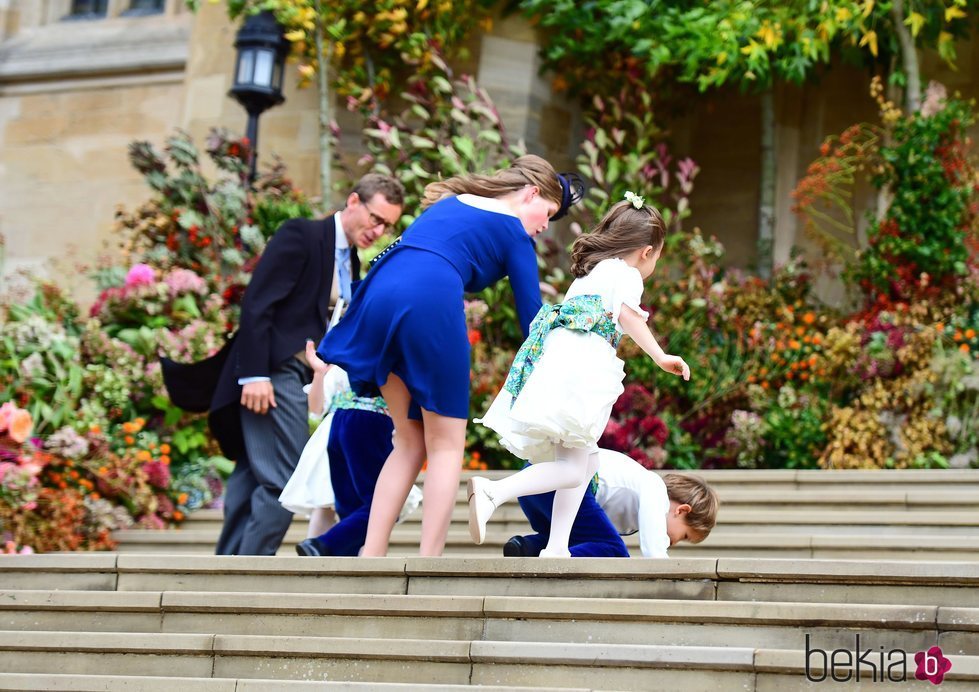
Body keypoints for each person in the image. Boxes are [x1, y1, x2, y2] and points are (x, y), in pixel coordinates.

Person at [318, 155, 584, 557]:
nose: (545, 225)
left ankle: (369, 556)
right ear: (531, 193)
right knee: (446, 444)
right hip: (429, 299)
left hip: (378, 292)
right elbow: (533, 320)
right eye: (547, 212)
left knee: (408, 441)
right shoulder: (515, 233)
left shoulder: (450, 203)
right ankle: (429, 561)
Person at [164, 173, 405, 556]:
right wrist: (255, 374)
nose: (378, 230)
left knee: (249, 476)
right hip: (273, 372)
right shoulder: (303, 235)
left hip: (302, 374)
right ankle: (250, 574)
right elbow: (259, 303)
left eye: (387, 226)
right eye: (376, 218)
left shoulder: (352, 264)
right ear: (354, 201)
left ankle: (224, 571)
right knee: (283, 477)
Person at [469, 193, 691, 557]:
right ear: (647, 251)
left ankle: (557, 545)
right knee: (572, 468)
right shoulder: (626, 274)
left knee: (585, 463)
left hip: (560, 360)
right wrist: (661, 355)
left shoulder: (595, 273)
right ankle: (494, 491)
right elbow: (628, 316)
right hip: (583, 367)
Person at [281, 341, 421, 556]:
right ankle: (324, 544)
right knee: (384, 503)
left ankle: (329, 550)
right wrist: (319, 374)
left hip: (340, 427)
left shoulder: (351, 353)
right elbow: (316, 408)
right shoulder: (390, 351)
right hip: (367, 423)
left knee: (352, 506)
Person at [503, 448, 718, 558]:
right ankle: (553, 563)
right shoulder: (654, 486)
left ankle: (526, 547)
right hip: (561, 483)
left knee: (582, 541)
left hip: (535, 484)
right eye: (684, 536)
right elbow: (655, 552)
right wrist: (668, 574)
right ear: (681, 510)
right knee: (614, 551)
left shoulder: (637, 510)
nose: (675, 543)